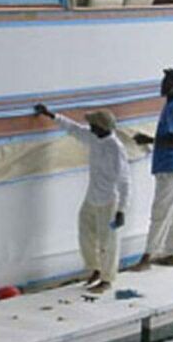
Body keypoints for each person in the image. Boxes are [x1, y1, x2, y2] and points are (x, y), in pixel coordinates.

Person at [35, 104, 130, 293]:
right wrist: (50, 114)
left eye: (93, 124)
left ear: (101, 127)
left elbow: (125, 181)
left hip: (109, 202)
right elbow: (73, 129)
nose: (90, 126)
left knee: (108, 242)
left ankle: (107, 279)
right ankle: (94, 269)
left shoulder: (115, 149)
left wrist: (122, 210)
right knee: (85, 235)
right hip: (92, 198)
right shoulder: (95, 138)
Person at [133, 68, 173, 268]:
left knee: (159, 212)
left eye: (165, 82)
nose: (161, 85)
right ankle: (172, 254)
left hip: (171, 166)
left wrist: (148, 139)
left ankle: (147, 257)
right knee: (171, 211)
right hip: (170, 166)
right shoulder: (172, 106)